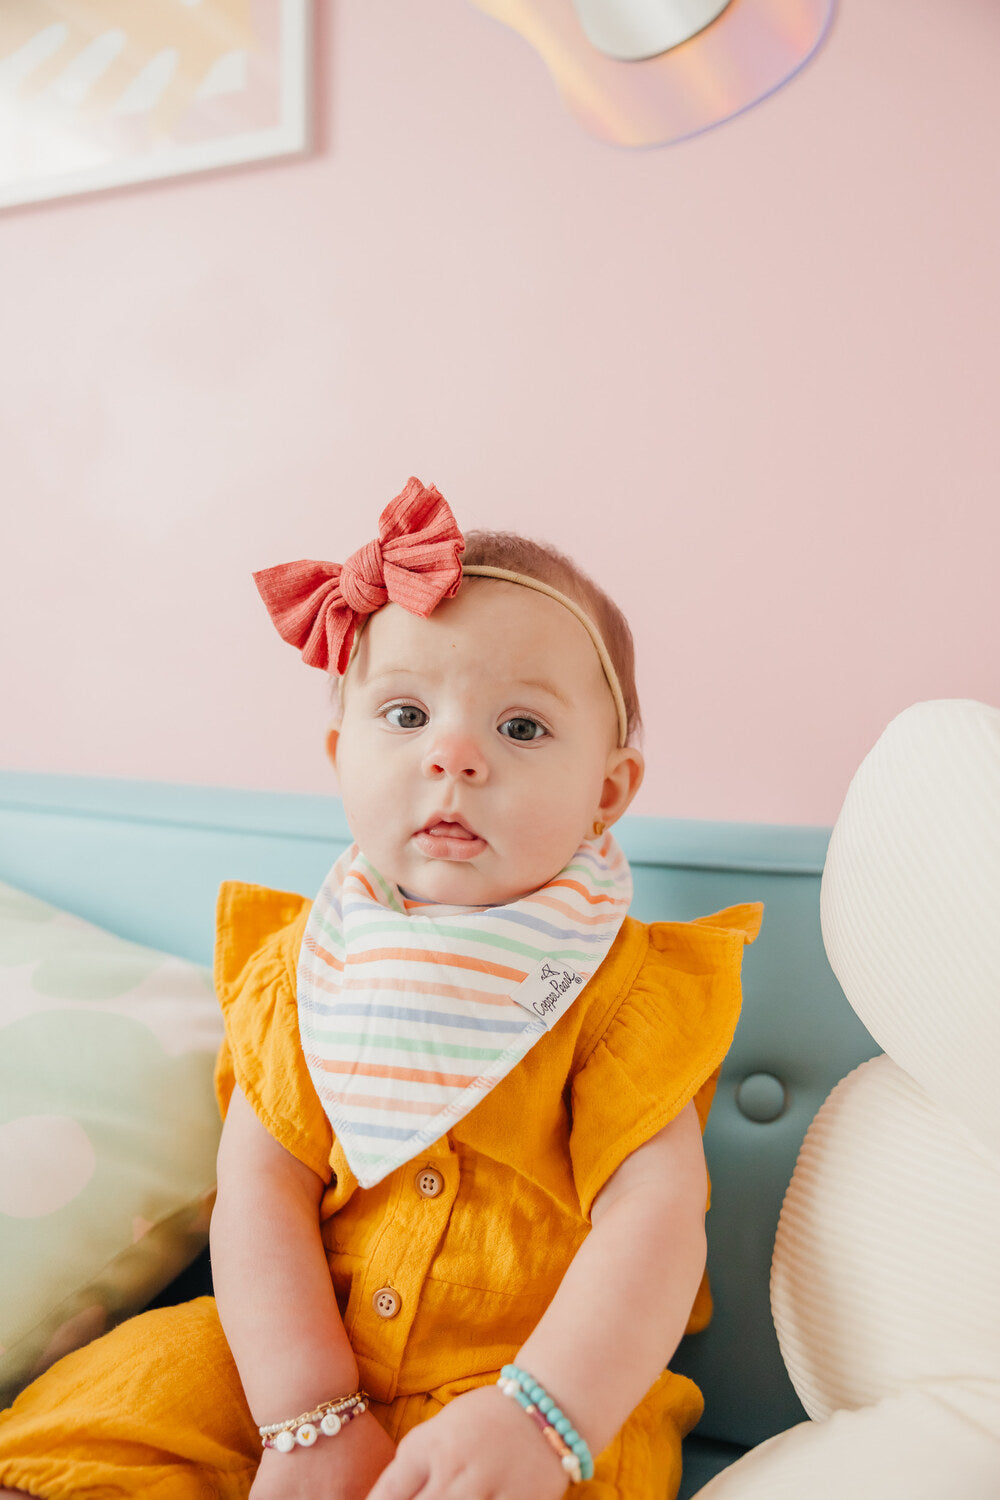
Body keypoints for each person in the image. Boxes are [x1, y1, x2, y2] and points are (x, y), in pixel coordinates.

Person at [0, 478, 761, 1499]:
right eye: (405, 714)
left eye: (522, 730)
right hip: (289, 1361)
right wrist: (307, 1416)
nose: (452, 756)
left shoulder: (622, 992)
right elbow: (262, 1192)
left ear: (608, 792)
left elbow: (654, 1215)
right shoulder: (306, 968)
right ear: (340, 755)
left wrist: (544, 1416)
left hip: (525, 1381)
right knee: (127, 1401)